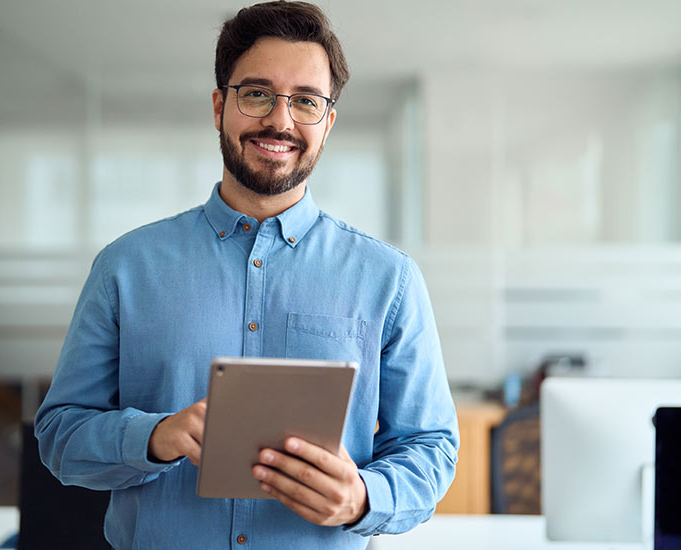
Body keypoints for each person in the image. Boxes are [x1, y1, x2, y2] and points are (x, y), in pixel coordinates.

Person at [35, 2, 459, 548]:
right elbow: (59, 436)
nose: (280, 121)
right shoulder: (126, 266)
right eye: (257, 94)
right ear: (220, 106)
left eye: (305, 101)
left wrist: (363, 498)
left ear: (327, 123)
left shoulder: (389, 279)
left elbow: (431, 447)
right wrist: (155, 436)